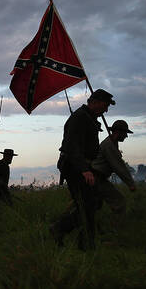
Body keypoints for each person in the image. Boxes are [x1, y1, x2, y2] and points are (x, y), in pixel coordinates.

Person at [50, 89, 115, 250]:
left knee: (92, 203)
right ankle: (77, 239)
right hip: (75, 166)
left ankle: (78, 238)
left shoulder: (88, 117)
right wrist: (84, 170)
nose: (106, 110)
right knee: (87, 205)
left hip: (81, 165)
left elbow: (88, 147)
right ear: (95, 102)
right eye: (105, 105)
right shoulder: (79, 117)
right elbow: (72, 146)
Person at [90, 120, 136, 218]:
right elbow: (119, 166)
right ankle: (116, 227)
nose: (126, 136)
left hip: (96, 178)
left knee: (93, 205)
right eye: (125, 133)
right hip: (97, 178)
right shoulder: (109, 145)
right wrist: (130, 184)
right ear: (118, 132)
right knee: (119, 202)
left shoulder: (112, 144)